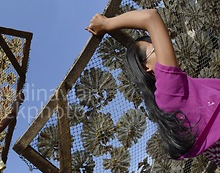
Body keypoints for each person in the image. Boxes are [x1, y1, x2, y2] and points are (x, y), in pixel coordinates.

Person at [86, 9, 220, 165]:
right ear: (146, 67)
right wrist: (106, 23)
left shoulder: (166, 100)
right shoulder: (169, 89)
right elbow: (151, 17)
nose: (165, 49)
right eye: (155, 48)